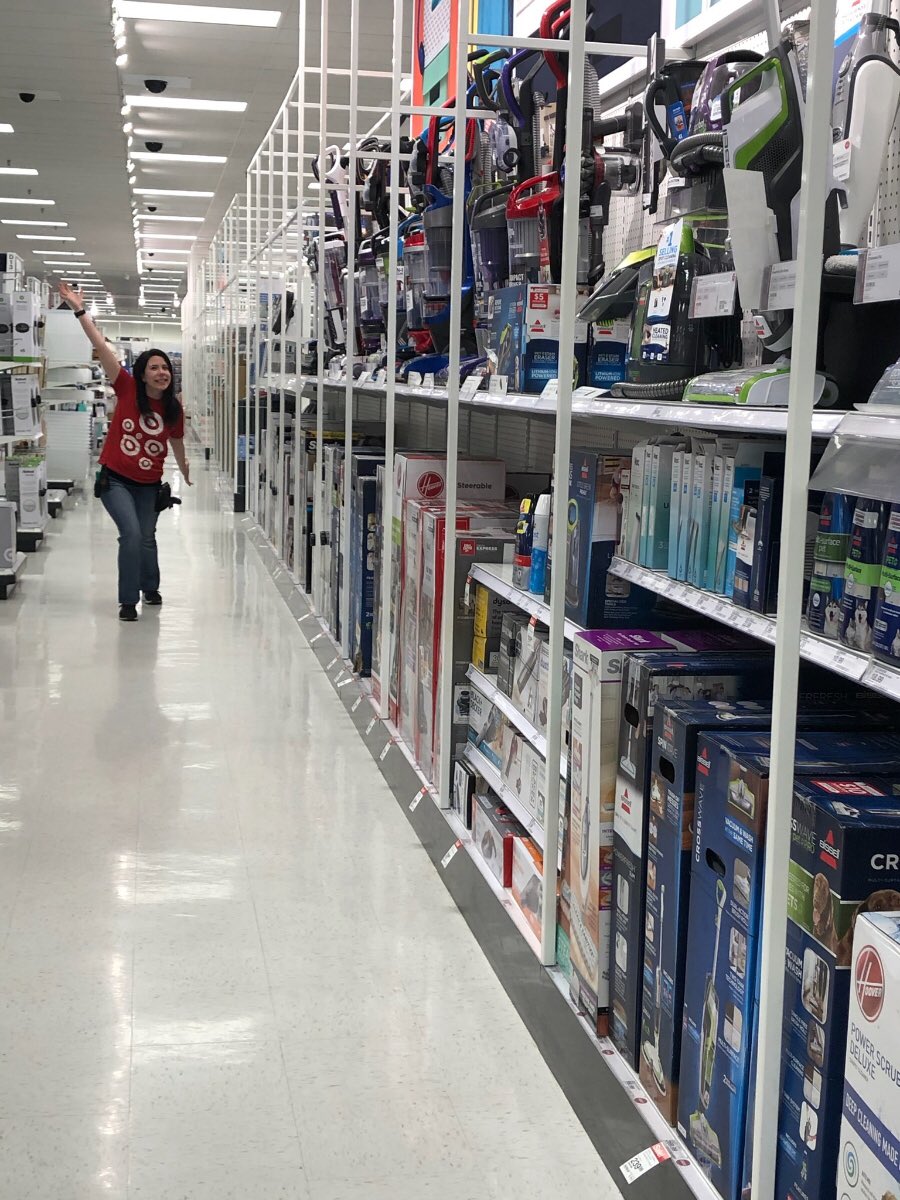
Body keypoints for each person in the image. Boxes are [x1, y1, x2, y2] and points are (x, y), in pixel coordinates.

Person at [58, 281, 192, 621]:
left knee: (147, 537)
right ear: (143, 374)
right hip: (115, 479)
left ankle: (150, 587)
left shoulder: (174, 407)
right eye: (155, 368)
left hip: (149, 484)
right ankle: (128, 600)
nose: (162, 372)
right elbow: (99, 345)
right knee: (131, 535)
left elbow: (176, 441)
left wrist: (185, 468)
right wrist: (79, 309)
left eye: (166, 368)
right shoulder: (126, 387)